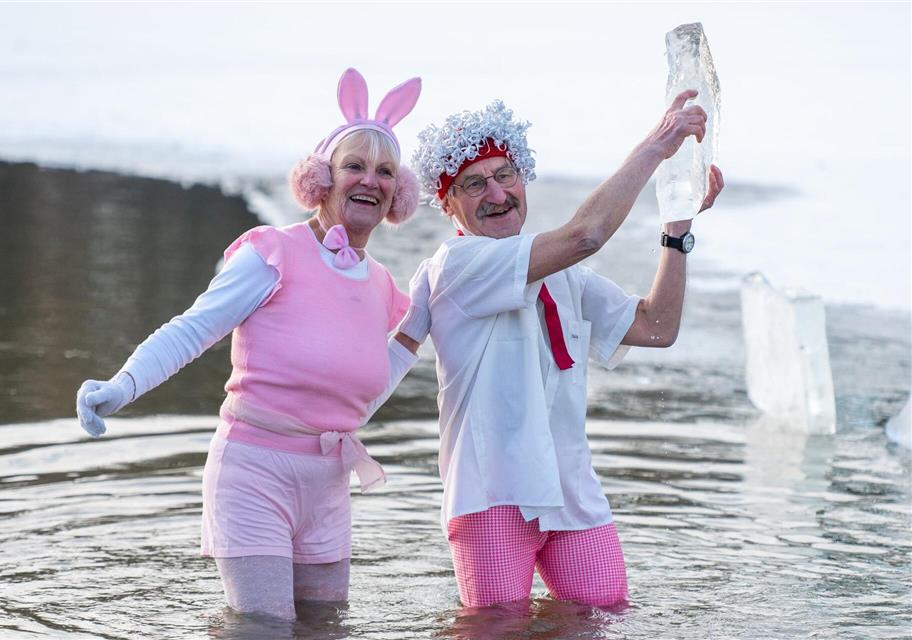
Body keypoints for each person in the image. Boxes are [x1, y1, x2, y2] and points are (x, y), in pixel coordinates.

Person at [75, 68, 425, 620]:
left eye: (385, 171)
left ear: (397, 193)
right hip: (254, 471)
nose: (371, 180)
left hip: (330, 480)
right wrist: (124, 385)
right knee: (263, 629)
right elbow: (194, 328)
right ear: (322, 177)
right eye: (354, 165)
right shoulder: (271, 253)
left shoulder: (381, 283)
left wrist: (418, 324)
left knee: (326, 630)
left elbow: (364, 391)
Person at [395, 92, 724, 609]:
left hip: (572, 492)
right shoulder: (456, 265)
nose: (497, 193)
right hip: (491, 496)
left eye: (506, 175)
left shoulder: (563, 272)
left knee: (601, 616)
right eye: (474, 184)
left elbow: (656, 327)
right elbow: (586, 234)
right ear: (448, 204)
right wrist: (658, 145)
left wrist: (676, 231)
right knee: (497, 628)